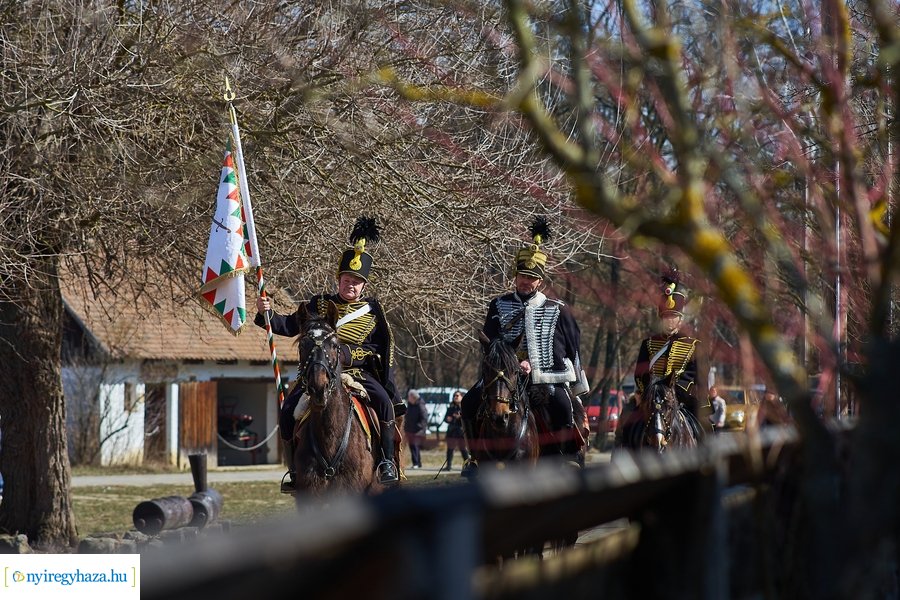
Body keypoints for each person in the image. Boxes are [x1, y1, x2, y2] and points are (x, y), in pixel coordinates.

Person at [255, 216, 401, 491]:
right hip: (317, 371)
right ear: (339, 279)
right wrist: (267, 314)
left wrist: (347, 355)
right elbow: (288, 325)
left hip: (357, 374)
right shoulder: (319, 304)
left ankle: (387, 463)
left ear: (363, 285)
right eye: (347, 279)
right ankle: (294, 472)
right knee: (288, 410)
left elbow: (376, 350)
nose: (351, 285)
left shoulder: (372, 312)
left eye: (357, 281)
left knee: (384, 403)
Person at [460, 217, 589, 476]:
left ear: (540, 280)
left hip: (543, 376)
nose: (526, 281)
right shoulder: (498, 305)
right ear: (515, 276)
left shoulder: (557, 309)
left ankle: (568, 455)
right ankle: (474, 457)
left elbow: (568, 347)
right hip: (505, 375)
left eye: (531, 277)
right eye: (522, 276)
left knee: (563, 405)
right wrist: (510, 363)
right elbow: (491, 343)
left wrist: (536, 365)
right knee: (469, 403)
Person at [631, 268, 705, 440]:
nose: (669, 320)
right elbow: (639, 374)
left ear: (680, 320)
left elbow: (698, 376)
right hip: (652, 398)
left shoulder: (694, 346)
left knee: (705, 430)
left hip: (682, 398)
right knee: (627, 424)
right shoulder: (648, 344)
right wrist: (650, 391)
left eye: (673, 317)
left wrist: (674, 389)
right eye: (666, 317)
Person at [443, 390, 469, 470]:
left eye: (457, 395)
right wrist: (449, 419)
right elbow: (446, 418)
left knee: (463, 450)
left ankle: (467, 466)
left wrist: (460, 417)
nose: (456, 397)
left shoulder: (465, 407)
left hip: (461, 432)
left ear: (461, 397)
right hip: (452, 431)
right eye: (454, 396)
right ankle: (448, 466)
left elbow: (467, 419)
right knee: (450, 450)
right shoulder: (451, 407)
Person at [403, 390, 427, 469]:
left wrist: (419, 427)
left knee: (415, 446)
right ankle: (418, 463)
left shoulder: (420, 405)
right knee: (413, 446)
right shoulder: (410, 405)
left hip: (418, 430)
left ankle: (416, 463)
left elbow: (424, 418)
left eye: (409, 396)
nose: (408, 398)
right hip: (410, 429)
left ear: (413, 397)